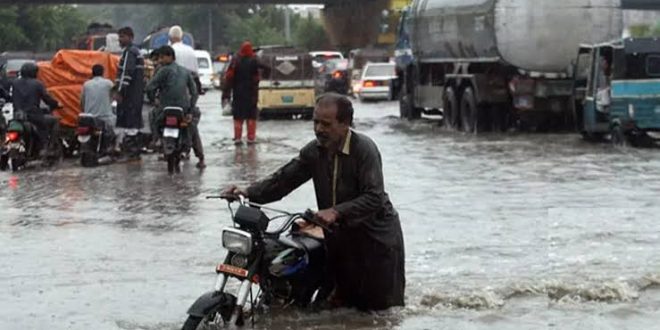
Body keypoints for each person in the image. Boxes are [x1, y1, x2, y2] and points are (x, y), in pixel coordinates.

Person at [223, 93, 405, 311]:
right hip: (339, 237)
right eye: (315, 122)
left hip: (375, 239)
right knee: (334, 305)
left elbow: (374, 197)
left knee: (381, 311)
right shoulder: (314, 151)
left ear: (345, 124)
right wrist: (248, 192)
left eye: (326, 124)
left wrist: (336, 211)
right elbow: (283, 180)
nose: (319, 129)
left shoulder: (363, 150)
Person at [145, 45, 199, 166]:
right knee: (192, 127)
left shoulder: (163, 70)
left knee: (152, 115)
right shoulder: (185, 71)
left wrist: (153, 99)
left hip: (165, 108)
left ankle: (157, 139)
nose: (160, 60)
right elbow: (194, 92)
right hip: (183, 109)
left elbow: (149, 87)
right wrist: (190, 109)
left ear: (170, 57)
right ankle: (195, 152)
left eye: (162, 57)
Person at [169, 25, 206, 168]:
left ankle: (165, 145)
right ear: (182, 36)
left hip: (173, 94)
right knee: (190, 123)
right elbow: (196, 76)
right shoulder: (190, 51)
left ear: (171, 38)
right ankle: (199, 155)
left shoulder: (170, 52)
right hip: (189, 95)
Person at [11, 62, 61, 163]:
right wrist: (56, 104)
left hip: (17, 116)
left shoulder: (15, 82)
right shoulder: (37, 84)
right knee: (54, 121)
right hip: (33, 116)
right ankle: (46, 146)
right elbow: (46, 98)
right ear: (34, 72)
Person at [115, 26, 145, 160]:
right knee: (134, 123)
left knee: (129, 123)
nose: (120, 40)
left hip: (130, 95)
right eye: (119, 37)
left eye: (122, 37)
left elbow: (126, 75)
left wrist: (119, 91)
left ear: (130, 37)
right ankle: (134, 152)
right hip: (136, 95)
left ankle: (131, 152)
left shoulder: (129, 53)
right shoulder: (136, 52)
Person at [222, 41, 260, 145]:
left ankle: (238, 138)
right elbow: (259, 76)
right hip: (252, 95)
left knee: (238, 117)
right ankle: (251, 138)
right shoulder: (254, 61)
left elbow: (229, 78)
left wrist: (226, 95)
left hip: (238, 94)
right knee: (251, 117)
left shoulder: (236, 61)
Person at [81, 64, 115, 129]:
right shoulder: (108, 83)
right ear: (103, 73)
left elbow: (82, 101)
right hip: (105, 118)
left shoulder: (86, 84)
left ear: (92, 73)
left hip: (89, 118)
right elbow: (115, 97)